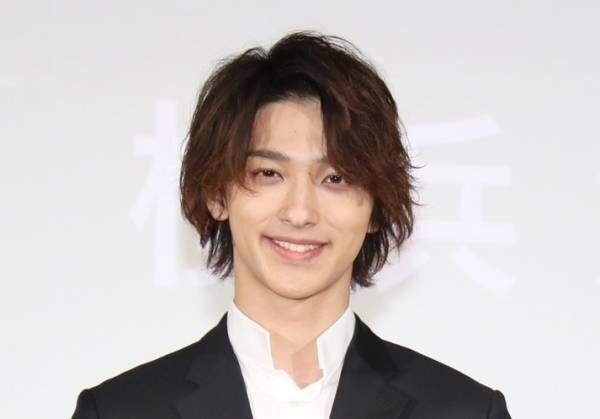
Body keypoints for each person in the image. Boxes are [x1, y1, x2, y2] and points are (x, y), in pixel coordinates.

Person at [71, 31, 511, 419]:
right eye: (268, 174)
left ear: (376, 208)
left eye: (335, 179)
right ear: (217, 194)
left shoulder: (465, 411)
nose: (300, 213)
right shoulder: (120, 411)